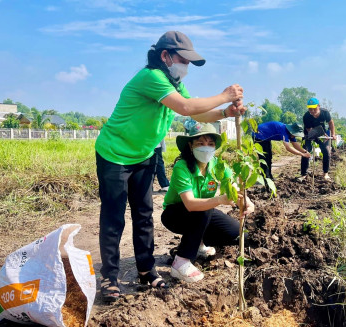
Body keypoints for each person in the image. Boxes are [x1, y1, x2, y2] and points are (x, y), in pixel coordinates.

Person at [95, 31, 246, 302]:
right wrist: (224, 95)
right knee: (114, 218)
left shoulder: (173, 82)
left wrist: (225, 113)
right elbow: (186, 107)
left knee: (143, 214)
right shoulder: (151, 77)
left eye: (189, 62)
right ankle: (109, 276)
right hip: (115, 155)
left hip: (144, 155)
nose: (186, 67)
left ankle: (146, 270)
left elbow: (197, 112)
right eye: (183, 60)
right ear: (165, 56)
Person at [161, 123, 254, 282]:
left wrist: (246, 201)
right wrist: (219, 200)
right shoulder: (182, 167)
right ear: (190, 145)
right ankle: (181, 261)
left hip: (202, 212)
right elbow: (190, 204)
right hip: (175, 214)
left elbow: (233, 186)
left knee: (232, 230)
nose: (206, 148)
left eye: (210, 144)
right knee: (204, 209)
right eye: (200, 143)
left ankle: (198, 245)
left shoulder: (218, 165)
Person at [300, 97, 336, 181]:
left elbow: (331, 123)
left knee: (326, 151)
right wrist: (319, 133)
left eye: (314, 109)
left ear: (318, 106)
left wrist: (333, 134)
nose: (312, 111)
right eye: (310, 109)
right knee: (305, 151)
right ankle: (303, 174)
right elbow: (309, 130)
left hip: (322, 132)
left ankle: (325, 173)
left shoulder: (325, 113)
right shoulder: (306, 116)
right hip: (309, 133)